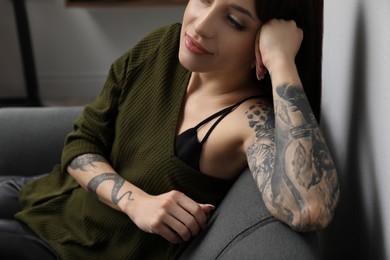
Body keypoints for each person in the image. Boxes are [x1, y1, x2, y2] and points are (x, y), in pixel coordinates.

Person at [0, 0, 340, 259]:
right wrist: (137, 203)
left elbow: (309, 208)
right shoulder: (162, 45)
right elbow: (80, 143)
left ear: (263, 41)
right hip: (48, 194)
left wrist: (282, 61)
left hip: (72, 249)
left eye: (234, 21)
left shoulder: (246, 119)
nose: (201, 26)